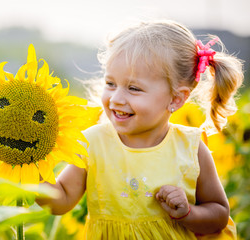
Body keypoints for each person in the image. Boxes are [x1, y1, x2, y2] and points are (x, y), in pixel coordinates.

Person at [36, 19, 243, 239]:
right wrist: (33, 167)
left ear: (176, 98)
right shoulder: (93, 142)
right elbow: (62, 199)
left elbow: (219, 214)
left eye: (133, 88)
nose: (116, 98)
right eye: (110, 84)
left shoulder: (190, 147)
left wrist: (188, 213)